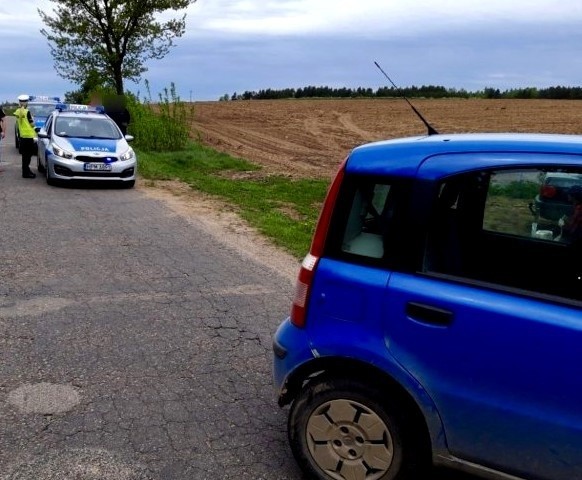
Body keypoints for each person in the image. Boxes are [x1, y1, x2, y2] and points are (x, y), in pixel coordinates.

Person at [13, 94, 37, 178]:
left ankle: (25, 171)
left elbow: (19, 119)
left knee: (24, 156)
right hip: (29, 136)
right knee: (28, 156)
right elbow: (32, 124)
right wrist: (33, 120)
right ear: (26, 102)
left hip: (22, 136)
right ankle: (26, 172)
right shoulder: (27, 112)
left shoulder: (18, 111)